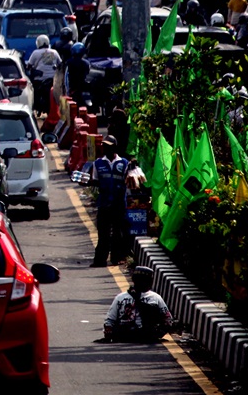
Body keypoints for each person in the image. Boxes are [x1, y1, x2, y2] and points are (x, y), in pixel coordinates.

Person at [103, 266, 175, 342]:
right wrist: (158, 334)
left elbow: (110, 320)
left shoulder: (120, 297)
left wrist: (109, 334)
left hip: (126, 337)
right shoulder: (155, 298)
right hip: (144, 337)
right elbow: (168, 320)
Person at [90, 135, 130, 267]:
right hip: (104, 203)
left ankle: (117, 258)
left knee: (118, 232)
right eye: (104, 146)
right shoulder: (98, 163)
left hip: (119, 204)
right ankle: (100, 260)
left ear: (114, 147)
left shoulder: (124, 163)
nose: (105, 148)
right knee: (103, 233)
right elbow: (95, 180)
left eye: (108, 146)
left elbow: (130, 180)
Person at [26, 34, 62, 114]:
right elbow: (60, 64)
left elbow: (29, 65)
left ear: (38, 43)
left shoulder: (36, 53)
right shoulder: (54, 52)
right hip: (53, 79)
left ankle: (36, 106)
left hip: (39, 79)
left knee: (34, 91)